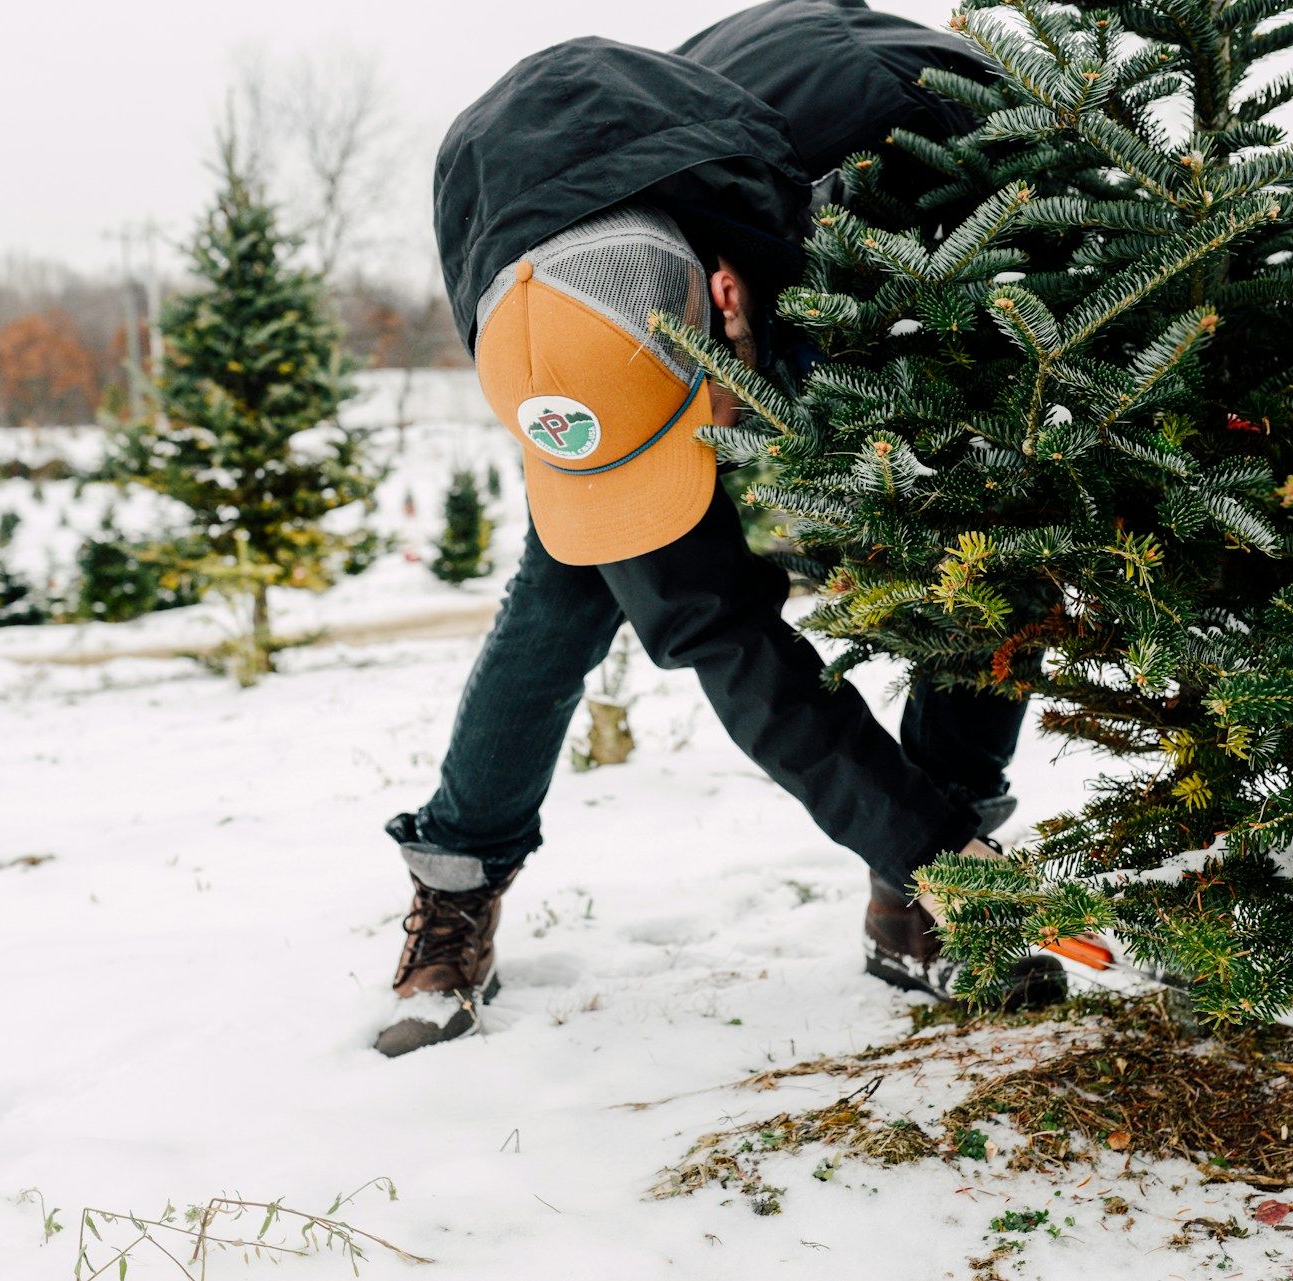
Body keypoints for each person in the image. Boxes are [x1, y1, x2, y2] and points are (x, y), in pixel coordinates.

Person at [375, 18, 1048, 1058]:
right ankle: (458, 884)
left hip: (909, 200)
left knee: (986, 528)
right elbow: (720, 632)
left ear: (727, 303)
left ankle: (925, 890)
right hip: (670, 241)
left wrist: (937, 842)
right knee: (572, 576)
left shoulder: (914, 200)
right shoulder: (529, 290)